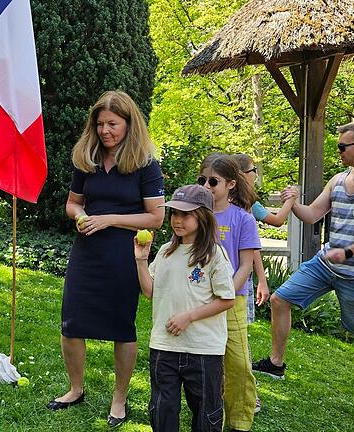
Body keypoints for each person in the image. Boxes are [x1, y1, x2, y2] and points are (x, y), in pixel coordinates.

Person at [252, 120, 354, 423]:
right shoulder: (338, 180)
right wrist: (292, 203)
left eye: (343, 146)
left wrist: (349, 252)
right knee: (280, 299)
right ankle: (276, 362)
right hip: (325, 263)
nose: (339, 150)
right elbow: (313, 213)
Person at [47, 90, 165, 427]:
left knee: (121, 327)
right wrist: (81, 215)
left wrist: (109, 219)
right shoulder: (88, 159)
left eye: (112, 124)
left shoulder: (145, 165)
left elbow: (155, 218)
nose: (105, 130)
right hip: (87, 251)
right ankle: (75, 388)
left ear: (129, 125)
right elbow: (72, 203)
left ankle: (119, 398)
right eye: (99, 124)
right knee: (71, 324)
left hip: (124, 253)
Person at [134, 184, 235, 432]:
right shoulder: (167, 252)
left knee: (205, 411)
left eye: (185, 214)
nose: (177, 220)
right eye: (174, 214)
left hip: (203, 349)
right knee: (162, 408)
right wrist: (141, 260)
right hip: (163, 346)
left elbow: (227, 299)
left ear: (203, 217)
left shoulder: (214, 254)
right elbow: (149, 291)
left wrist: (188, 317)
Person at [199, 154, 260, 432]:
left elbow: (246, 265)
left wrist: (226, 295)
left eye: (214, 181)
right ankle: (210, 419)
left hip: (233, 300)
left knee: (238, 364)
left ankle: (239, 422)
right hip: (200, 300)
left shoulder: (243, 218)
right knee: (207, 366)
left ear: (231, 184)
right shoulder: (196, 215)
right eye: (202, 180)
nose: (207, 186)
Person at [231, 153, 297, 414]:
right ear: (242, 175)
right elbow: (278, 220)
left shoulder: (242, 204)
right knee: (238, 341)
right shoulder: (247, 203)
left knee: (235, 340)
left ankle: (247, 393)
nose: (255, 175)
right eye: (253, 170)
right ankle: (248, 394)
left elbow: (252, 247)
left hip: (235, 280)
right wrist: (291, 200)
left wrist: (262, 279)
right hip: (234, 283)